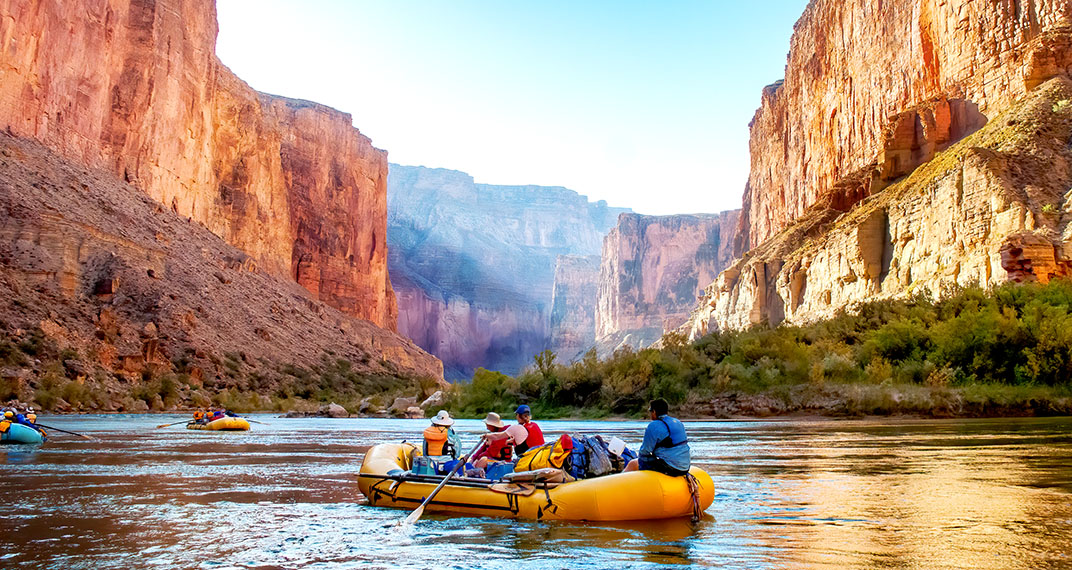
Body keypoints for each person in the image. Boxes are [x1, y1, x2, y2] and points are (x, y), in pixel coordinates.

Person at [624, 398, 691, 476]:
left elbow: (645, 451)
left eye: (651, 412)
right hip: (685, 467)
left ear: (654, 412)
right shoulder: (678, 422)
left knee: (637, 462)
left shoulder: (654, 425)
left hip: (671, 468)